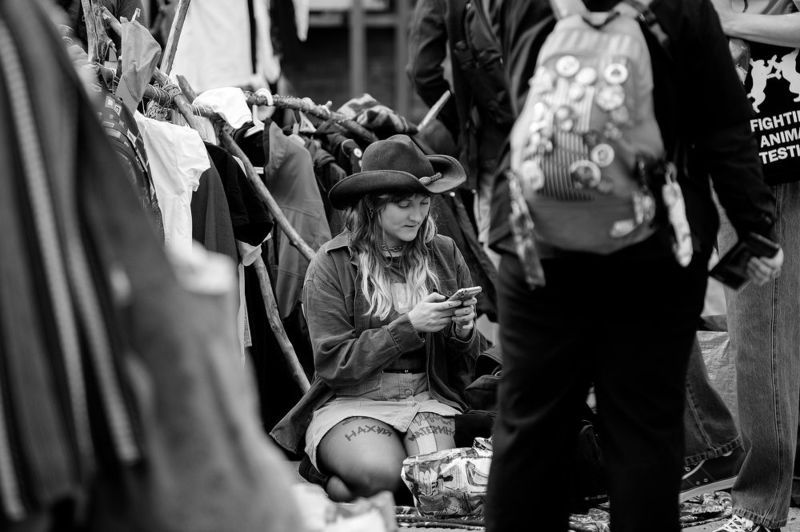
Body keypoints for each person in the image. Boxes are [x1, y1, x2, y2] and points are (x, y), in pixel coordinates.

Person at [482, 0, 784, 531]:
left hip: (540, 242)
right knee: (644, 427)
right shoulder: (682, 6)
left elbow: (495, 94)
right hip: (654, 246)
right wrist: (755, 228)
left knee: (530, 429)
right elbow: (724, 125)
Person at [270, 134, 483, 502]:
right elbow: (333, 363)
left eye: (423, 203)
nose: (418, 216)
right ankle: (326, 471)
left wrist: (463, 330)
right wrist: (409, 326)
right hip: (352, 401)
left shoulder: (444, 253)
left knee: (436, 485)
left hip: (426, 398)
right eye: (404, 204)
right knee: (382, 476)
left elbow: (464, 362)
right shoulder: (331, 263)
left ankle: (357, 480)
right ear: (372, 206)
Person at [707, 1, 800, 530]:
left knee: (760, 330)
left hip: (773, 155)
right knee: (764, 328)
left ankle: (759, 502)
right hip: (738, 150)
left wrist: (730, 23)